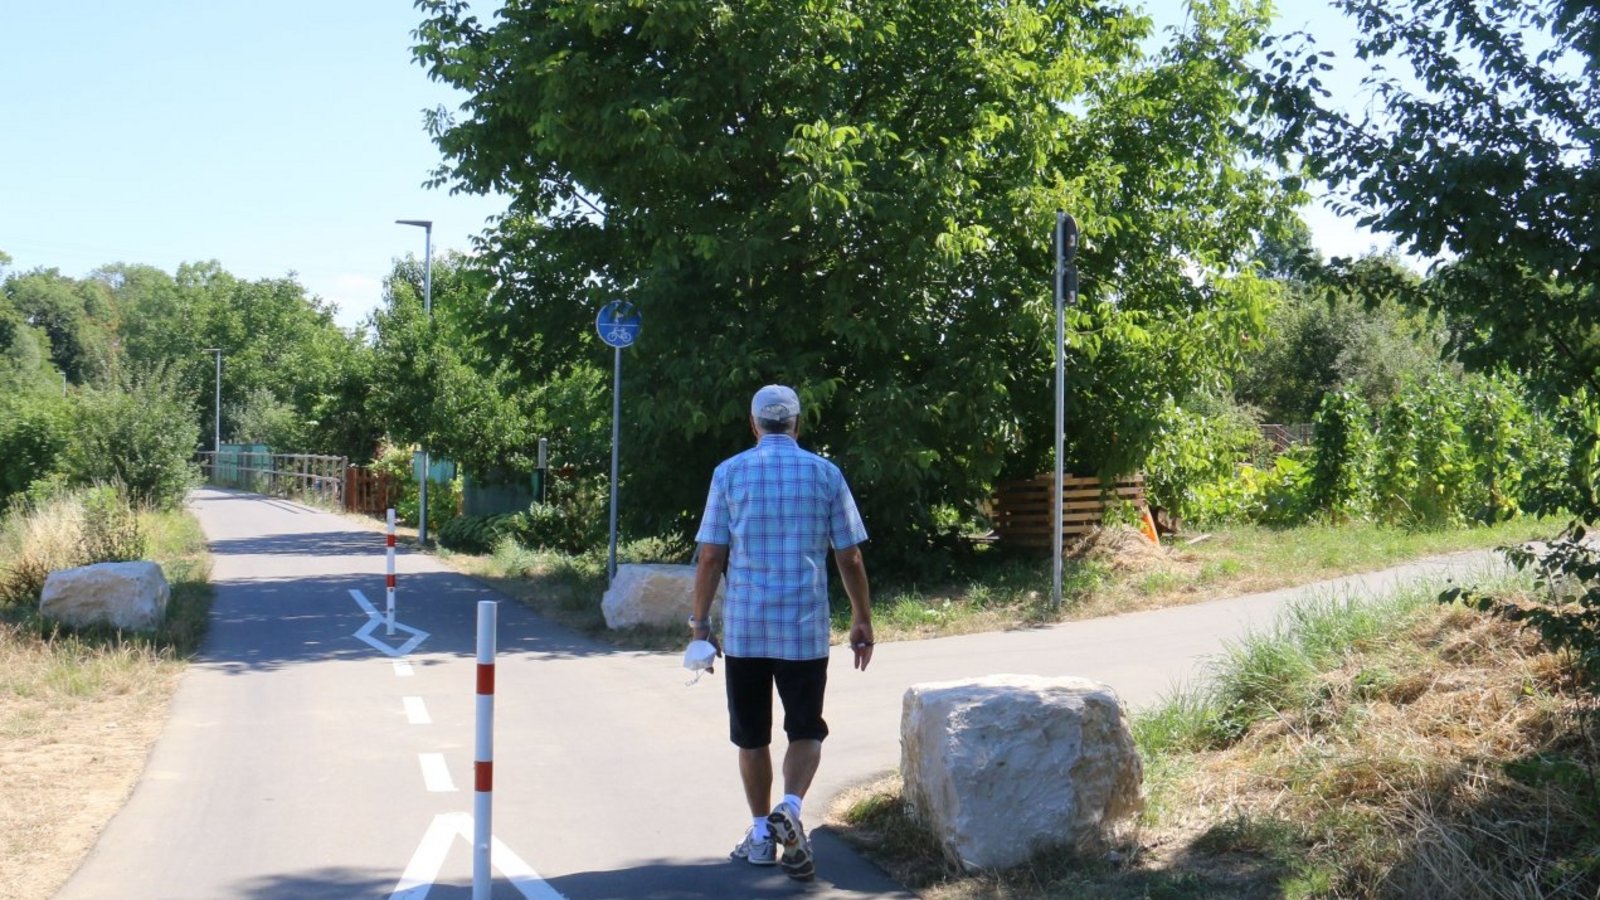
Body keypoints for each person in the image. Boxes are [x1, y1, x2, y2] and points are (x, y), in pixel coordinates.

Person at [689, 384, 874, 882]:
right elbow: (850, 555)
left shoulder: (728, 474)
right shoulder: (825, 474)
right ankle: (790, 807)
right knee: (806, 728)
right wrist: (862, 618)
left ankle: (757, 835)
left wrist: (701, 625)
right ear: (798, 423)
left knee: (751, 736)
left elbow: (711, 556)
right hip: (804, 628)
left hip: (747, 629)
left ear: (753, 425)